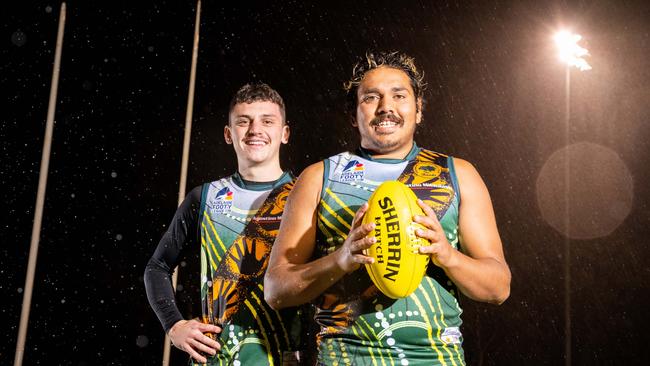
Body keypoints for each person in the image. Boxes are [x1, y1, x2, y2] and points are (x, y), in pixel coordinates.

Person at [264, 51, 511, 366]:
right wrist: (340, 260)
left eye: (399, 95)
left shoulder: (458, 174)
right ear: (354, 115)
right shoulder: (318, 178)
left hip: (435, 359)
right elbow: (275, 290)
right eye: (371, 97)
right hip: (345, 359)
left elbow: (498, 286)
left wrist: (447, 255)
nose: (386, 107)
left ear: (419, 110)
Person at [145, 83, 306, 365]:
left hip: (282, 357)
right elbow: (157, 268)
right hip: (217, 358)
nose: (255, 130)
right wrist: (174, 326)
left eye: (267, 121)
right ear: (229, 135)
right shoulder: (204, 197)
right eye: (244, 122)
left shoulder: (306, 194)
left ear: (285, 133)